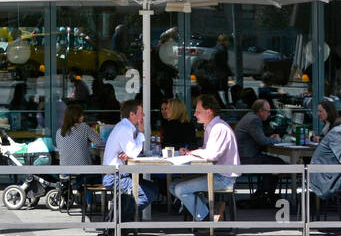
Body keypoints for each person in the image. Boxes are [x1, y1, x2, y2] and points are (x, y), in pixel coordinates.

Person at [171, 94, 240, 222]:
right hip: (216, 174)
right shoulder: (211, 127)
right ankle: (210, 209)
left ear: (209, 112)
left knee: (180, 189)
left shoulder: (219, 128)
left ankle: (207, 220)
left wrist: (192, 153)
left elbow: (212, 155)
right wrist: (191, 152)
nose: (195, 114)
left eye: (198, 111)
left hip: (223, 177)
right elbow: (207, 151)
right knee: (173, 186)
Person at [101, 99, 157, 228]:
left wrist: (131, 152)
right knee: (147, 193)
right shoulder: (125, 129)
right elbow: (133, 152)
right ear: (132, 115)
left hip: (120, 174)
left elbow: (131, 152)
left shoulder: (126, 127)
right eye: (141, 112)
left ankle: (124, 214)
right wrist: (141, 133)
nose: (143, 116)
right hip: (114, 177)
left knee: (153, 188)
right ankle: (121, 217)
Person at [235, 99, 285, 203]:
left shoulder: (249, 116)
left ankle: (263, 192)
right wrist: (275, 140)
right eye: (268, 111)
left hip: (243, 157)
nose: (269, 114)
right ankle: (266, 194)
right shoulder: (254, 120)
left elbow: (260, 138)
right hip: (247, 158)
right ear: (261, 111)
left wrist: (269, 139)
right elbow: (262, 141)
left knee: (272, 161)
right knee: (278, 163)